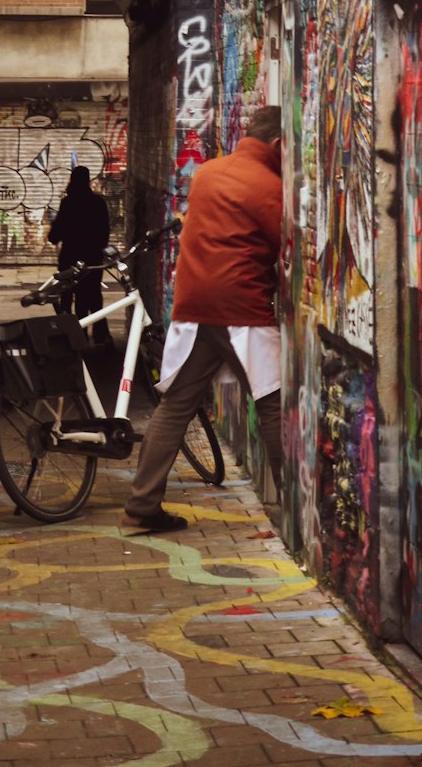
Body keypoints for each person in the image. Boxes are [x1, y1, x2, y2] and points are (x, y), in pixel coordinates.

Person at [124, 105, 285, 532]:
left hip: (193, 306)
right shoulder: (270, 186)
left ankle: (142, 505)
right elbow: (284, 244)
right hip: (242, 310)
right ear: (279, 145)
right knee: (273, 403)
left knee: (175, 406)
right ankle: (294, 510)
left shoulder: (207, 173)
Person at [47, 165, 112, 343]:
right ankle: (99, 335)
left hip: (70, 258)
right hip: (92, 259)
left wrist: (54, 236)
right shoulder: (98, 203)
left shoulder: (68, 203)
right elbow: (105, 232)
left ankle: (73, 335)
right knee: (92, 296)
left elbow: (56, 233)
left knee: (67, 297)